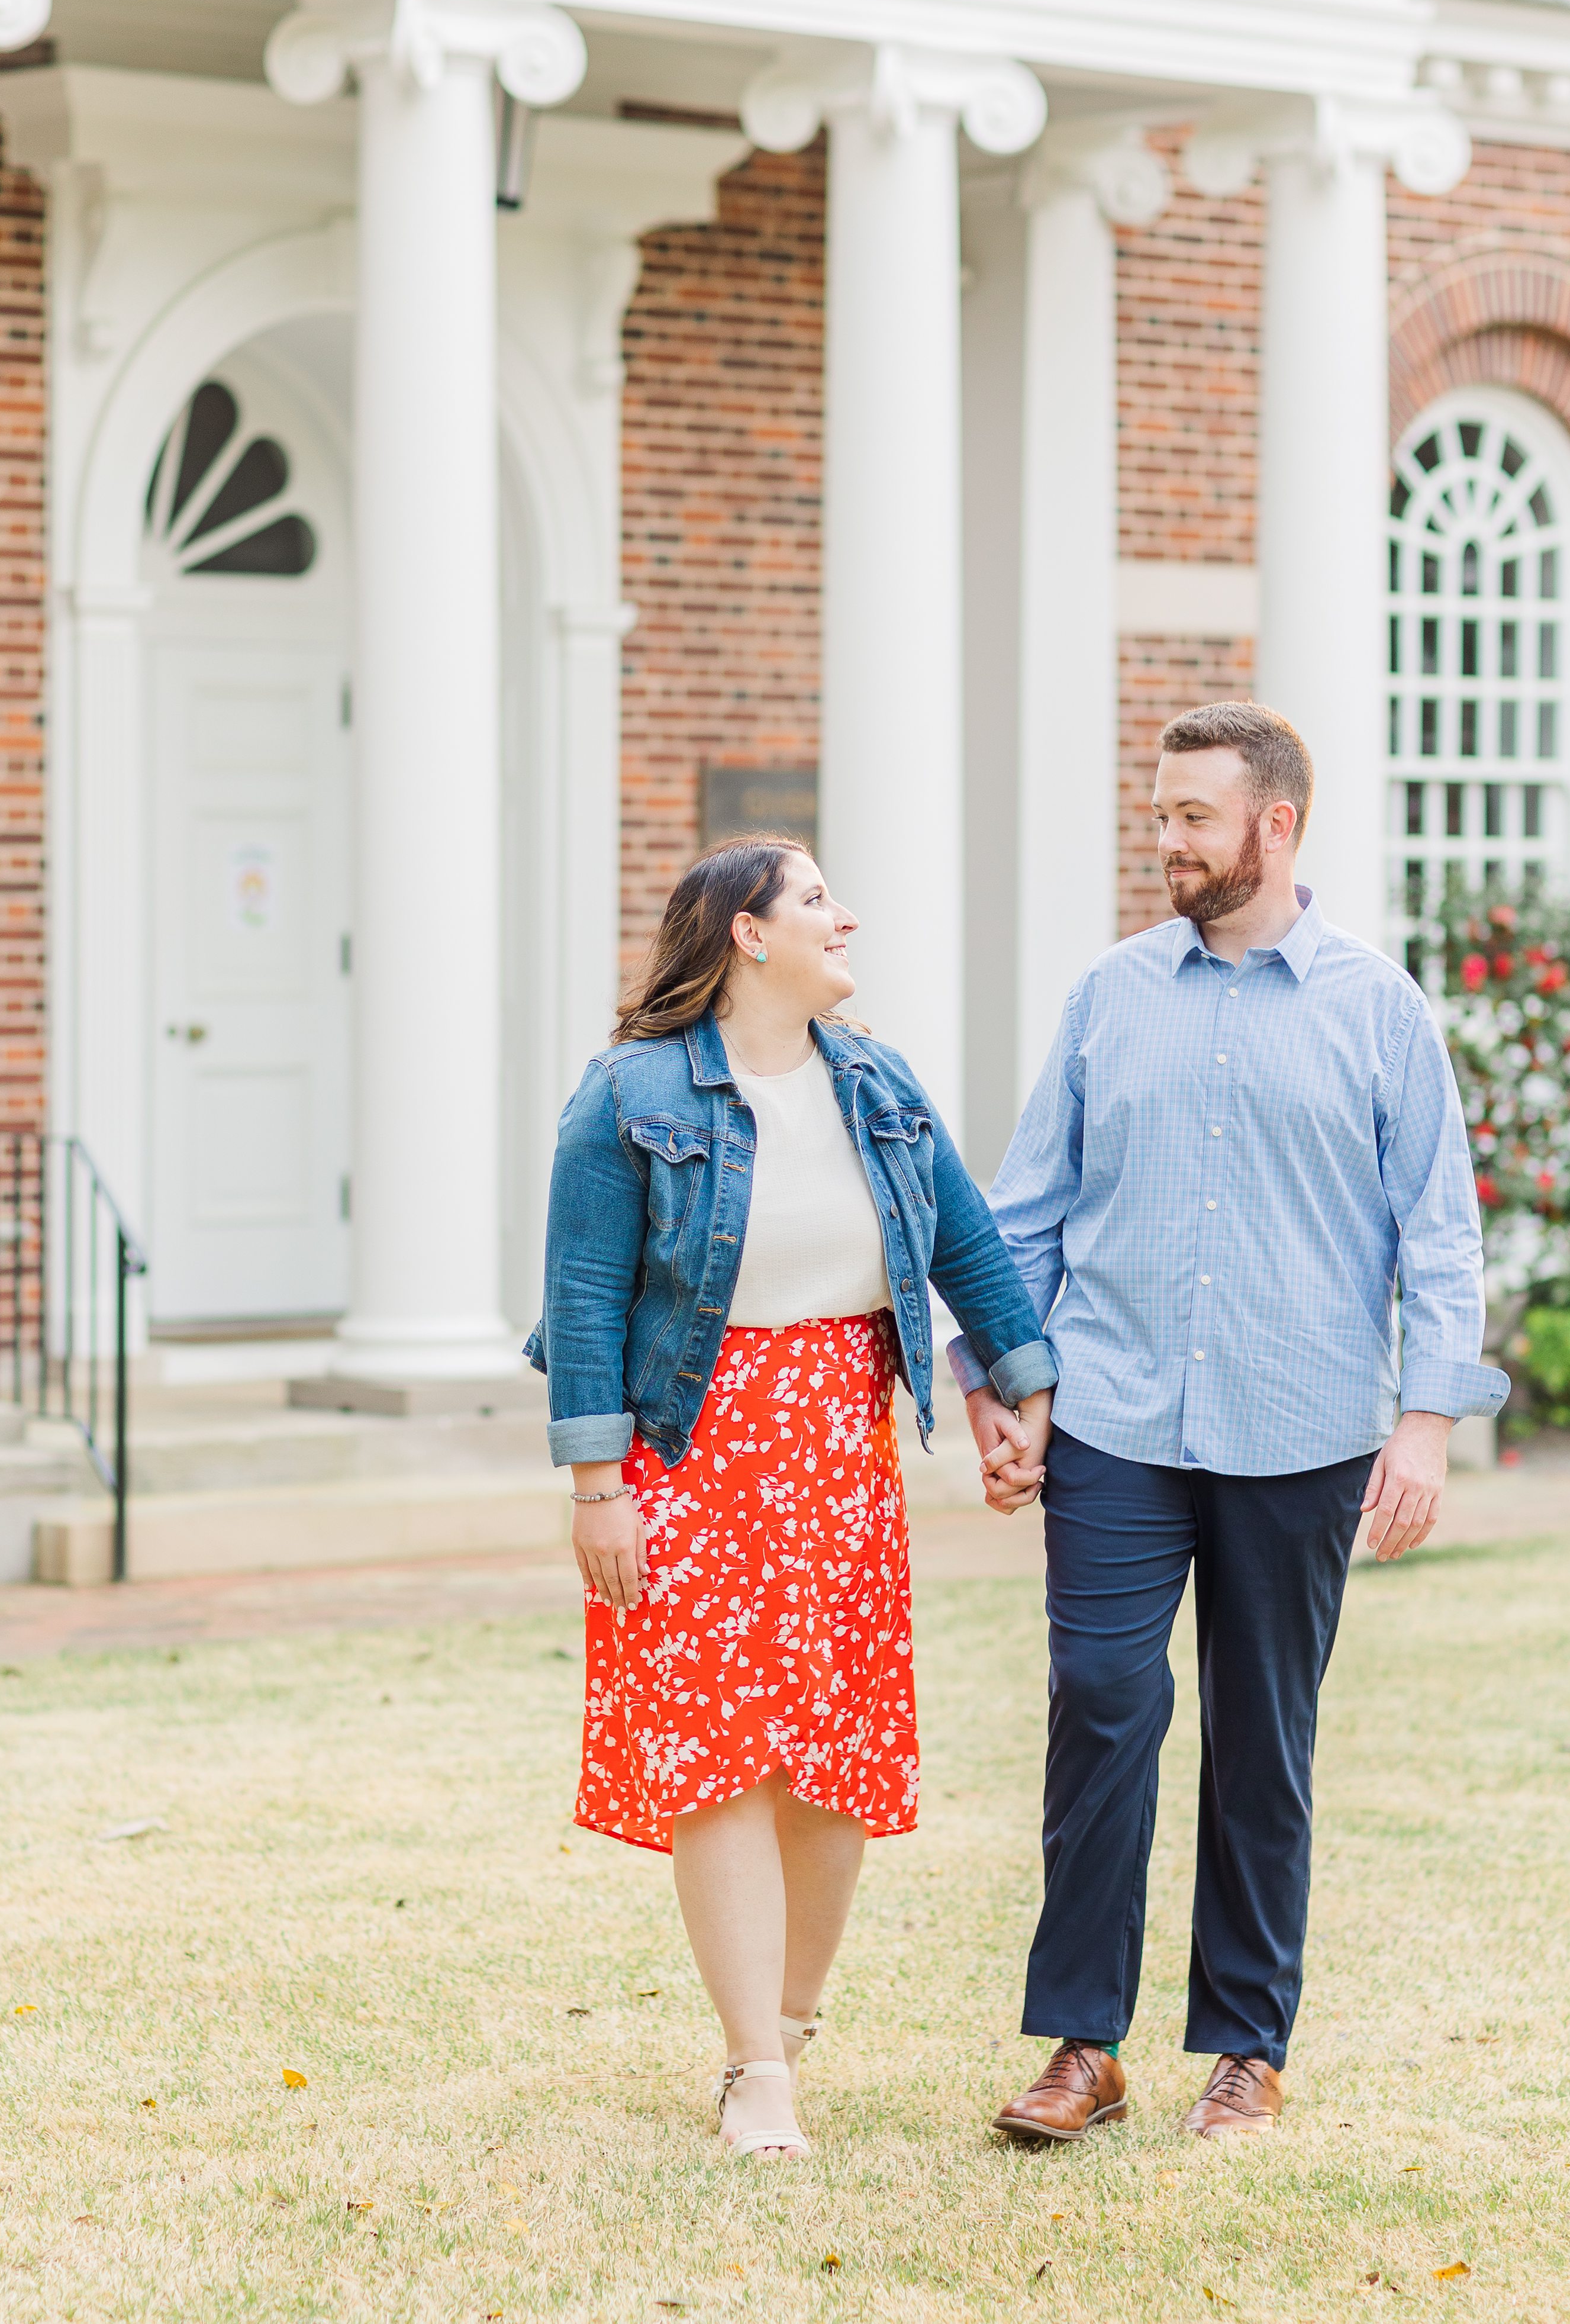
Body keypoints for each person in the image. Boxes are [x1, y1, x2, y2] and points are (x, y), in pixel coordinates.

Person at [958, 702, 1508, 2146]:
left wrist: (1427, 1422)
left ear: (1277, 825)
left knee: (1264, 1738)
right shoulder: (1109, 996)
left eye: (1193, 817)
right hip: (1117, 1422)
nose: (1168, 841)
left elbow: (1439, 1236)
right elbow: (1025, 1217)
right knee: (1101, 1702)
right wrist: (1002, 1385)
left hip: (1304, 1429)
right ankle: (1084, 2045)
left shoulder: (1380, 1011)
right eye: (1160, 814)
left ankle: (1247, 2048)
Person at [527, 835, 1056, 2161]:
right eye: (818, 899)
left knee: (836, 1763)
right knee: (722, 1761)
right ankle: (753, 2068)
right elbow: (582, 1297)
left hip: (841, 1459)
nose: (847, 918)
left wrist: (1025, 1383)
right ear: (748, 933)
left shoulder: (877, 1081)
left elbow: (967, 1244)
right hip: (689, 1457)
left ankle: (791, 2025)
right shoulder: (631, 1092)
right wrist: (597, 1488)